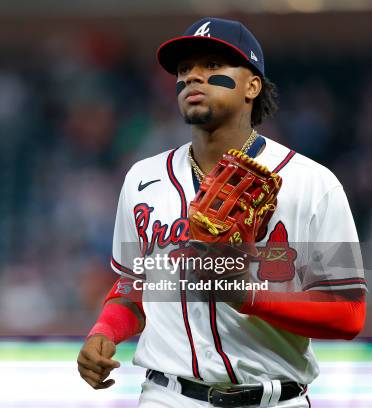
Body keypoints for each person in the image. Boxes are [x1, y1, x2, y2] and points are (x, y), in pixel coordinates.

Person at [77, 17, 366, 407]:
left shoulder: (313, 182)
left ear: (252, 85)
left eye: (212, 66)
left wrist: (247, 295)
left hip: (274, 397)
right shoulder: (142, 178)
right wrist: (104, 331)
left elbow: (348, 313)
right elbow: (135, 284)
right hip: (168, 395)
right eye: (184, 70)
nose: (193, 78)